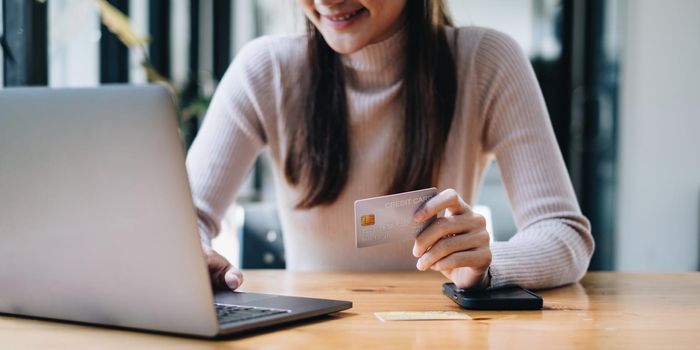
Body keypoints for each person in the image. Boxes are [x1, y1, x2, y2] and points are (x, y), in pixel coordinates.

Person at [187, 0, 594, 292]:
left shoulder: (486, 61)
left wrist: (487, 264)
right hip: (312, 335)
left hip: (435, 331)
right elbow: (185, 217)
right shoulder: (265, 69)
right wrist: (189, 254)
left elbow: (563, 232)